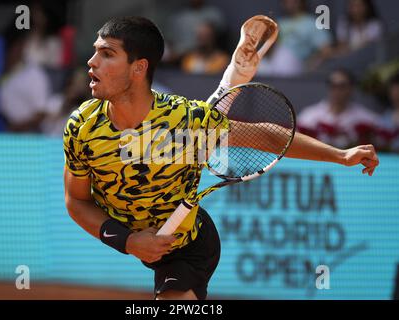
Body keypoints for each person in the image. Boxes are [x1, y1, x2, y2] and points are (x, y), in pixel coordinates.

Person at [63, 17, 379, 300]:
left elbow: (265, 136)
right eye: (95, 51)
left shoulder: (183, 120)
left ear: (139, 67)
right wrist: (128, 241)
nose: (91, 62)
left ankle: (233, 79)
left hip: (188, 245)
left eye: (107, 54)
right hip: (139, 236)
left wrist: (341, 155)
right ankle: (232, 80)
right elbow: (77, 201)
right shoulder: (82, 127)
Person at [297, 69, 381, 149]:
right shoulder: (308, 115)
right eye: (333, 86)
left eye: (342, 86)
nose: (337, 91)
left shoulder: (367, 118)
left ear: (351, 88)